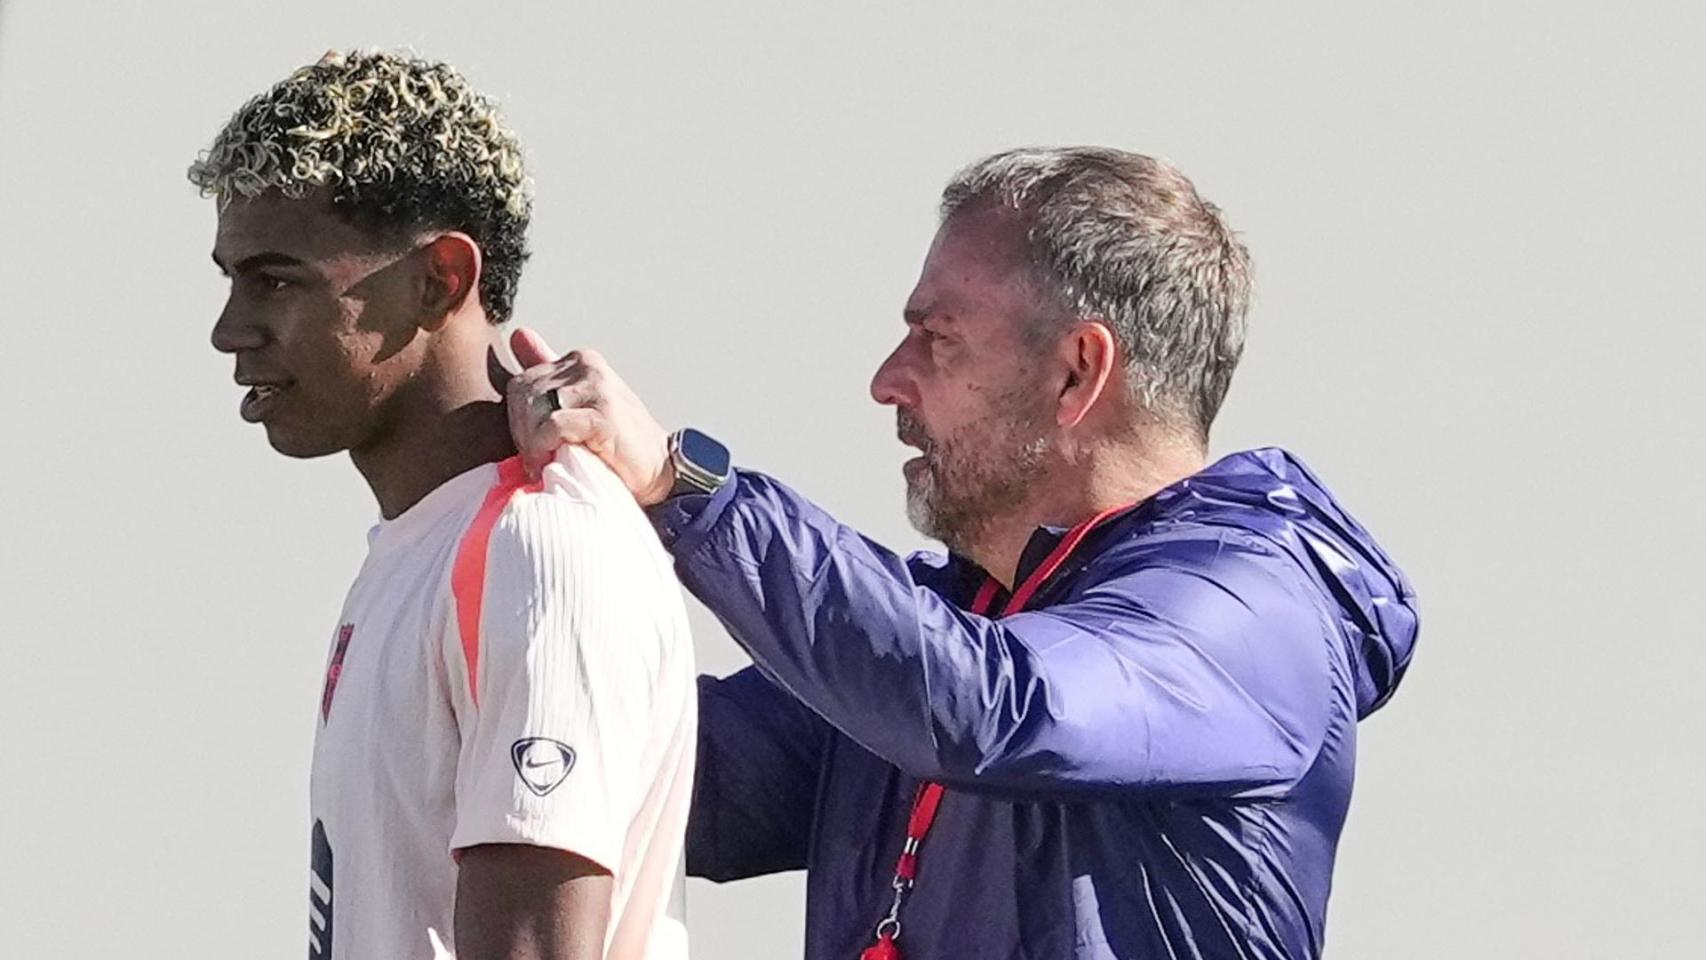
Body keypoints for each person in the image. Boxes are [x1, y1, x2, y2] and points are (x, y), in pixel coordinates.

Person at [505, 147, 1420, 959]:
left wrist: (686, 487)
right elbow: (646, 779)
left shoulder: (1253, 612)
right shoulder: (948, 632)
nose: (886, 381)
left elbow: (995, 709)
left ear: (1077, 372)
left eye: (937, 339)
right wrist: (477, 474)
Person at [191, 50, 695, 960]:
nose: (230, 329)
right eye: (229, 278)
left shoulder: (540, 551)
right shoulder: (430, 539)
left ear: (440, 280)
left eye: (276, 279)